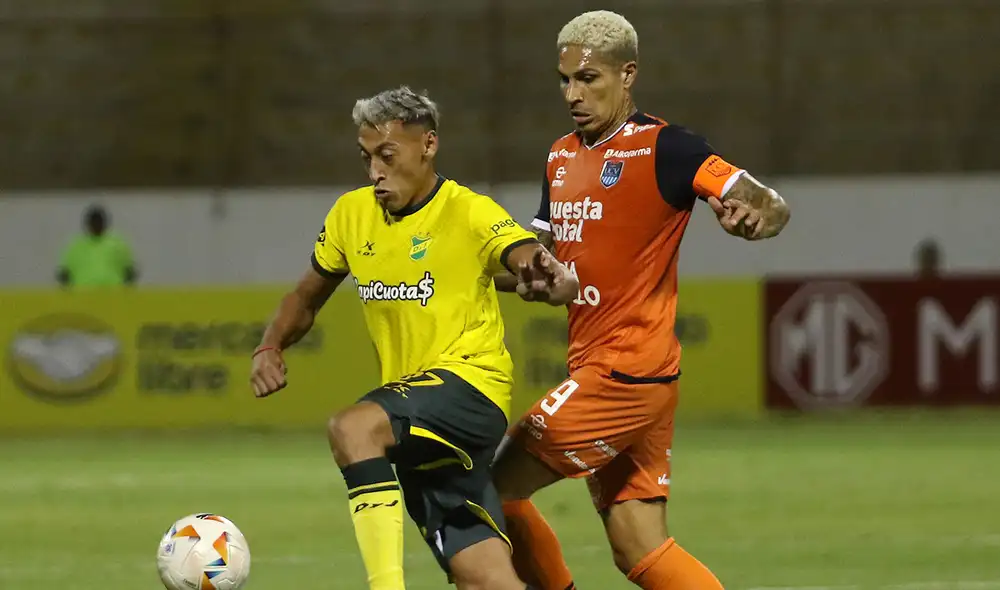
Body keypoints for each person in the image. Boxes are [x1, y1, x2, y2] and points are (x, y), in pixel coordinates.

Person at [492, 11, 791, 590]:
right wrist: (482, 273)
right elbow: (543, 257)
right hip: (618, 372)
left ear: (627, 75)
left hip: (624, 372)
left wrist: (755, 219)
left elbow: (767, 203)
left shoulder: (667, 148)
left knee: (490, 490)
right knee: (638, 546)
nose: (573, 95)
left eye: (588, 79)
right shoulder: (559, 156)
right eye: (565, 81)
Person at [249, 86, 579, 590]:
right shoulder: (351, 215)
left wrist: (546, 274)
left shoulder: (467, 211)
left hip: (470, 389)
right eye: (366, 158)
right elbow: (305, 296)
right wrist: (270, 344)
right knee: (483, 578)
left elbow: (522, 253)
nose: (374, 172)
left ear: (428, 145)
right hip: (417, 419)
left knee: (354, 428)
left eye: (387, 155)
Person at [56, 204, 137, 287]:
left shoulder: (118, 244)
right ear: (88, 224)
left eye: (99, 222)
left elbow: (131, 272)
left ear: (105, 223)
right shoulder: (76, 246)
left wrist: (124, 290)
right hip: (83, 292)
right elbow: (63, 273)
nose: (96, 224)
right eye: (94, 222)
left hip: (113, 292)